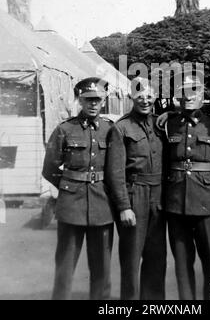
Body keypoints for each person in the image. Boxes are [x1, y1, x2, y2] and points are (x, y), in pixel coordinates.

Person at [42, 77, 114, 300]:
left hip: (102, 205)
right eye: (88, 100)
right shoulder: (65, 129)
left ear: (103, 101)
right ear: (80, 101)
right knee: (65, 265)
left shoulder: (111, 130)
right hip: (71, 205)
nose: (93, 104)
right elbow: (50, 167)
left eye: (97, 100)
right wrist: (68, 185)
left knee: (101, 267)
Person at [158, 74, 210, 300]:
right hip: (176, 203)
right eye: (184, 91)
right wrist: (169, 114)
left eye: (194, 90)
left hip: (206, 202)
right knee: (182, 263)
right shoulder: (169, 123)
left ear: (202, 95)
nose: (188, 95)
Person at [105, 77, 166, 300]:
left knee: (157, 257)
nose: (145, 100)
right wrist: (123, 206)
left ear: (155, 97)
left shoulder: (161, 124)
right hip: (135, 195)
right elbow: (115, 172)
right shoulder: (121, 128)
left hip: (158, 196)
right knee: (131, 259)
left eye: (149, 95)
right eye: (140, 96)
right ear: (132, 97)